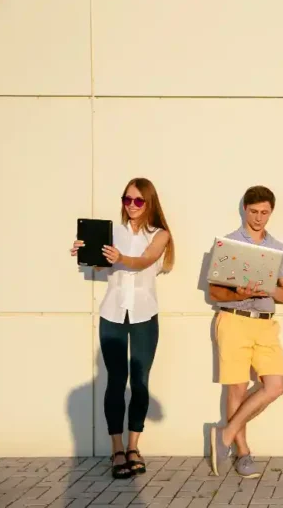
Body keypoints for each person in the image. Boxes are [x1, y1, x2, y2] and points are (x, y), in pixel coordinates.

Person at [70, 178, 174, 479]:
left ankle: (133, 446)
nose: (131, 205)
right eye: (127, 199)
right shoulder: (110, 233)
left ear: (149, 203)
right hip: (112, 312)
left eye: (138, 201)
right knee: (116, 381)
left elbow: (145, 261)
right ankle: (116, 449)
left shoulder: (160, 234)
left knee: (140, 382)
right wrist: (85, 252)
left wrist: (120, 258)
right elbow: (101, 267)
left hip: (144, 314)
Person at [208, 185, 283, 477]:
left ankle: (225, 434)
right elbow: (214, 292)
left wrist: (266, 287)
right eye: (254, 211)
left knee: (275, 386)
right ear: (245, 209)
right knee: (237, 387)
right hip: (234, 319)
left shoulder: (279, 249)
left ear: (271, 212)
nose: (259, 218)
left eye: (265, 212)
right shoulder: (229, 244)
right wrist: (238, 293)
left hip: (265, 324)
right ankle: (243, 453)